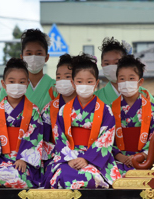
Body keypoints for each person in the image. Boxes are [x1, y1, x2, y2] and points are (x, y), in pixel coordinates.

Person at [44, 53, 121, 189]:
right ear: (73, 83)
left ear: (97, 83)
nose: (84, 85)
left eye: (89, 81)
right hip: (69, 158)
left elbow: (105, 139)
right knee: (62, 177)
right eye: (79, 81)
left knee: (90, 178)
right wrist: (70, 159)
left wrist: (87, 159)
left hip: (93, 158)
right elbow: (60, 138)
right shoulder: (64, 110)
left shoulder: (105, 110)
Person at [0, 58, 43, 188]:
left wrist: (24, 159)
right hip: (1, 158)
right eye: (12, 81)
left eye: (22, 82)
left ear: (27, 84)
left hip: (22, 162)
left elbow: (35, 137)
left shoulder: (33, 111)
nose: (16, 85)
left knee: (18, 177)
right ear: (3, 83)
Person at [111, 55, 154, 176]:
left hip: (145, 160)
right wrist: (119, 156)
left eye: (131, 78)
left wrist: (142, 155)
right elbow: (104, 137)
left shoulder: (153, 109)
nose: (126, 83)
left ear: (140, 81)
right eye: (122, 79)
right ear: (117, 82)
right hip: (117, 161)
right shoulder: (109, 109)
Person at [95, 37, 154, 112]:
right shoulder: (95, 97)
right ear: (102, 65)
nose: (112, 67)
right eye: (107, 63)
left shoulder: (144, 94)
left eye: (117, 63)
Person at [0, 29, 56, 111]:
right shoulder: (10, 86)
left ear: (46, 57)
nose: (34, 57)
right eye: (29, 54)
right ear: (22, 57)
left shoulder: (55, 87)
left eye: (39, 53)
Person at [40, 54, 77, 185]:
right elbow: (42, 140)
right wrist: (65, 156)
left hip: (84, 157)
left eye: (67, 76)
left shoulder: (94, 107)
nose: (62, 80)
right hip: (56, 157)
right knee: (60, 176)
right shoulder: (49, 108)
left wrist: (82, 157)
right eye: (58, 77)